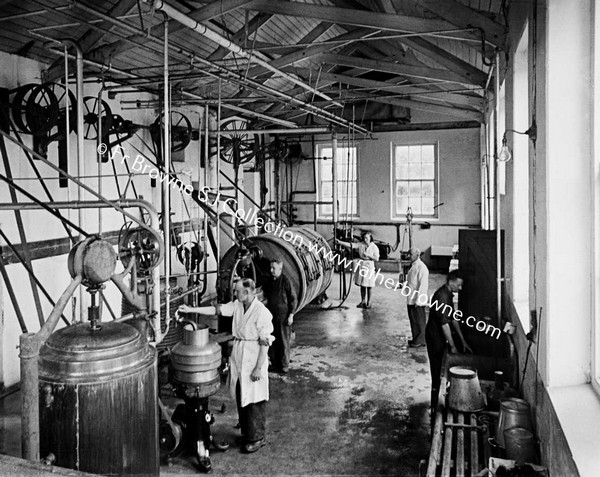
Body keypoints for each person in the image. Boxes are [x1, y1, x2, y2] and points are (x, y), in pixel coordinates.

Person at [178, 278, 274, 453]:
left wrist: (258, 368)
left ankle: (258, 438)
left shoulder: (262, 313)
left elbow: (265, 343)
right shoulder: (238, 305)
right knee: (241, 395)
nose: (235, 293)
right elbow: (217, 309)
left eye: (237, 291)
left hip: (253, 356)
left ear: (247, 292)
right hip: (239, 353)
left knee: (254, 399)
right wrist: (191, 309)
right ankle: (247, 434)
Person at [425, 270, 472, 414]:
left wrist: (462, 341)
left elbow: (453, 319)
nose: (461, 288)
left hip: (440, 335)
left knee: (441, 368)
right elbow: (444, 324)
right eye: (459, 284)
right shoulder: (441, 297)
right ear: (451, 282)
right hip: (434, 337)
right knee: (437, 369)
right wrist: (452, 347)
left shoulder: (449, 295)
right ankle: (434, 406)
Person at [262, 259, 297, 374]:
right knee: (272, 341)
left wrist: (291, 315)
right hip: (271, 316)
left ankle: (284, 365)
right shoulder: (269, 281)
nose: (271, 270)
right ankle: (274, 363)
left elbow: (293, 299)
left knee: (283, 341)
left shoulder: (285, 281)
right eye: (270, 268)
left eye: (274, 268)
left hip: (283, 316)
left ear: (280, 269)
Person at [338, 231, 380, 308]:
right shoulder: (361, 244)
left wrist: (369, 255)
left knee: (369, 285)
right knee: (362, 285)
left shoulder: (374, 247)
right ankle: (363, 301)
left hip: (369, 266)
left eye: (366, 238)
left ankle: (369, 302)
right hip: (362, 265)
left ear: (370, 238)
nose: (365, 239)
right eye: (364, 238)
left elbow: (377, 258)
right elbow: (352, 245)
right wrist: (340, 242)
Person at [406, 247, 429, 348]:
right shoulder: (413, 266)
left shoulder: (422, 268)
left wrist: (419, 300)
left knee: (419, 320)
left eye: (410, 254)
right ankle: (416, 338)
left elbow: (423, 285)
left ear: (417, 255)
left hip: (417, 299)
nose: (408, 256)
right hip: (411, 297)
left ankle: (421, 340)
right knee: (413, 320)